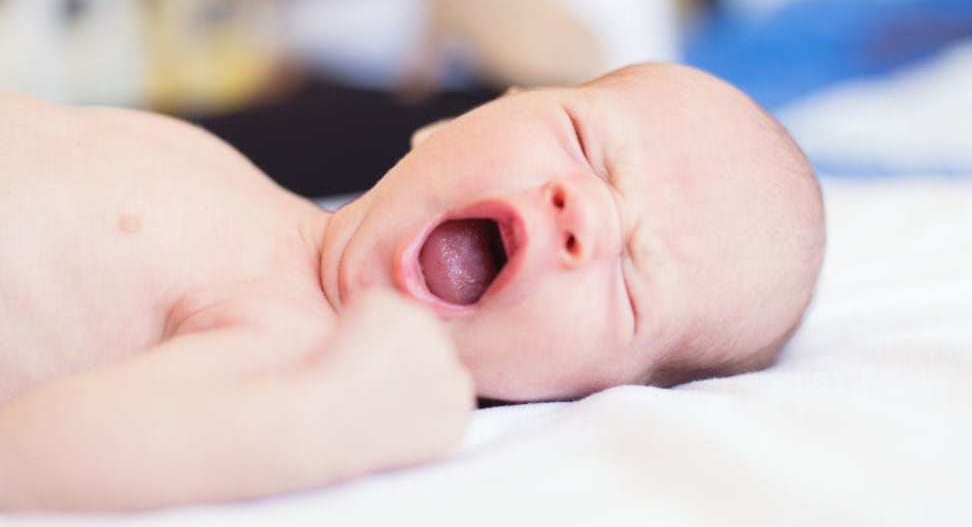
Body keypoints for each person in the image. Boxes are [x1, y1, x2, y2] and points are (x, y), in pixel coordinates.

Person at [0, 63, 825, 511]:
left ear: (569, 391)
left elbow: (39, 458)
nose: (588, 213)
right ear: (451, 123)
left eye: (632, 280)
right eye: (581, 140)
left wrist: (332, 420)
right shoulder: (237, 182)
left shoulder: (282, 341)